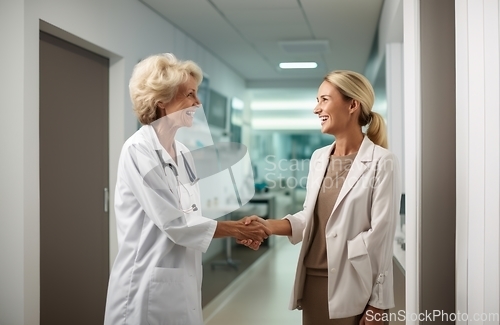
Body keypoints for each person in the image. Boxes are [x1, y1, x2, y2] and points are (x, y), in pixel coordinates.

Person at [103, 53, 271, 325]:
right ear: (162, 100)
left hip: (181, 277)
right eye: (190, 95)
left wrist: (236, 229)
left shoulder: (182, 152)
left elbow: (191, 213)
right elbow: (176, 223)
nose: (198, 103)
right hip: (146, 283)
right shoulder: (139, 150)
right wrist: (236, 229)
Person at [241, 70, 401, 325]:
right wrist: (268, 226)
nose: (317, 109)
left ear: (352, 104)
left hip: (353, 285)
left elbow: (381, 236)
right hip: (313, 280)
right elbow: (311, 217)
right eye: (317, 100)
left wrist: (378, 305)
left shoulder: (382, 161)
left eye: (324, 99)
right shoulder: (319, 158)